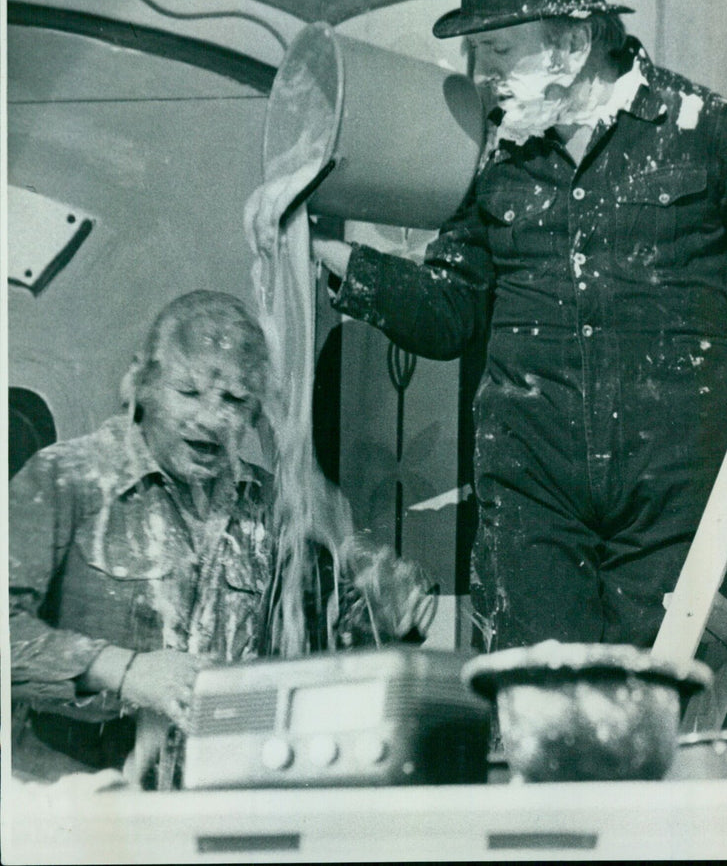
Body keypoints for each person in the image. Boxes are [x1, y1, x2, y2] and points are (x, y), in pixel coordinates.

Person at [307, 0, 727, 652]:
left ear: (571, 39)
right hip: (533, 498)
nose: (483, 72)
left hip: (675, 498)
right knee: (535, 716)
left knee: (653, 717)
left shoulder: (706, 130)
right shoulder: (497, 158)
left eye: (499, 49)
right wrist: (343, 265)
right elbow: (450, 309)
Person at [9, 290, 435, 787]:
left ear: (255, 413)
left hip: (220, 792)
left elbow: (320, 661)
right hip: (75, 798)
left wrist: (391, 619)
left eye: (234, 400)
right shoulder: (67, 478)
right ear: (141, 384)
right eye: (188, 392)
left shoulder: (272, 505)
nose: (211, 418)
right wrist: (125, 671)